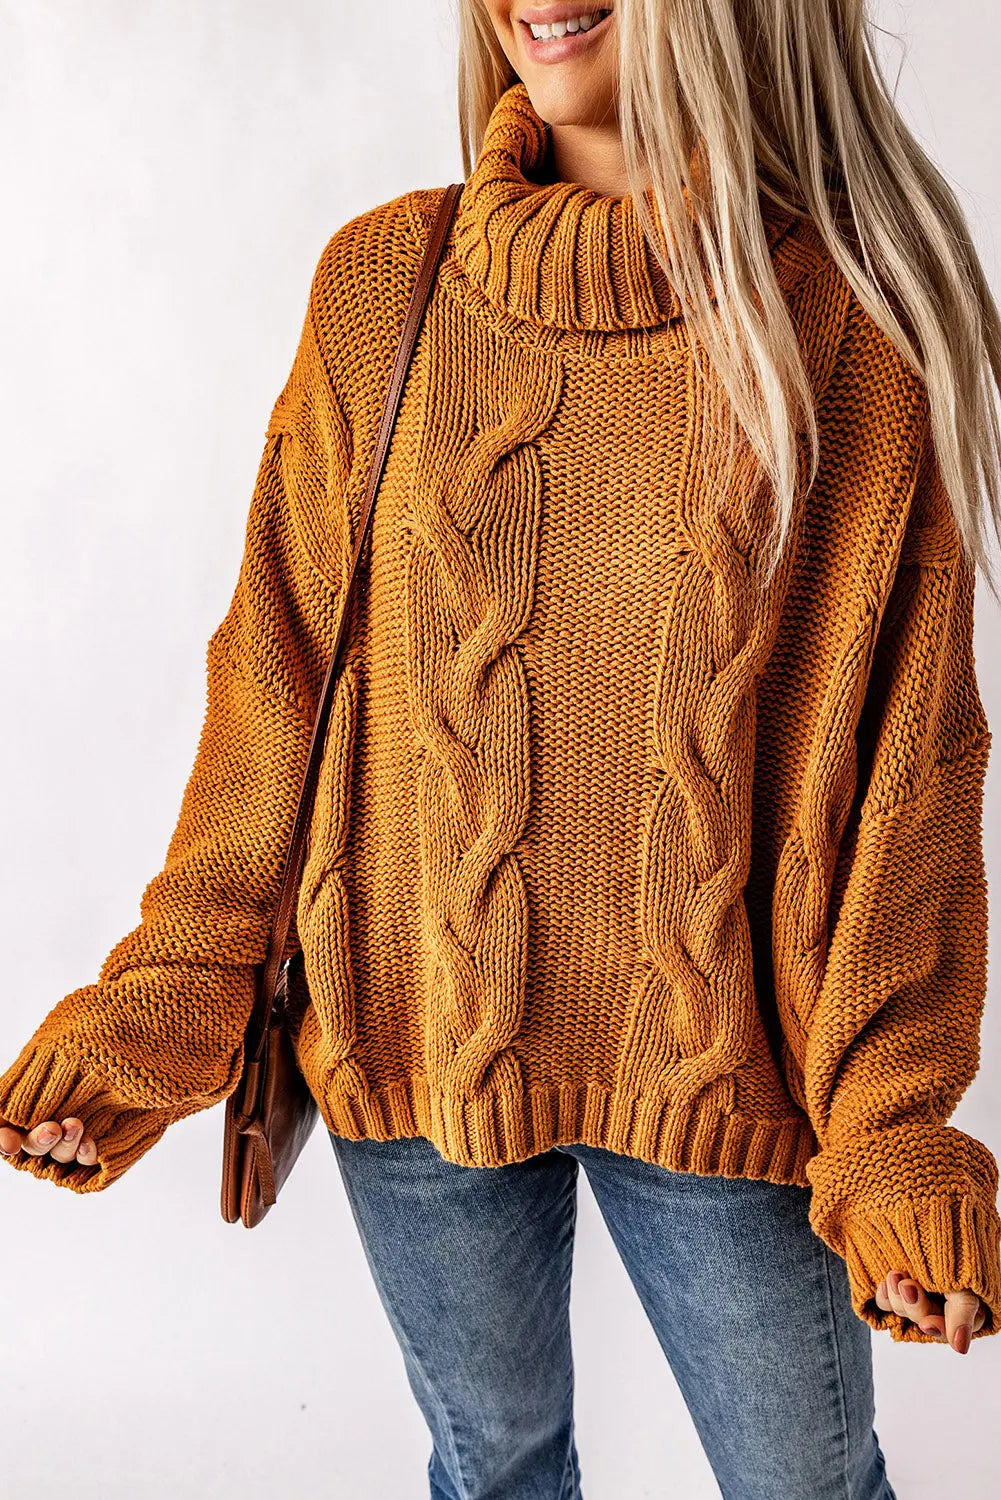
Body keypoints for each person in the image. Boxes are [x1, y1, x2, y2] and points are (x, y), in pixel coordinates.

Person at [2, 2, 1000, 1495]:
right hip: (412, 1037)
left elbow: (909, 776)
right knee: (492, 1469)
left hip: (729, 1076)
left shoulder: (850, 333)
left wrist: (891, 1128)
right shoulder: (384, 286)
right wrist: (175, 989)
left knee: (808, 1485)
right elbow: (275, 683)